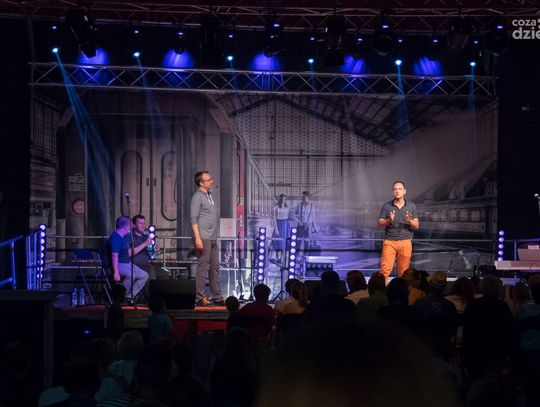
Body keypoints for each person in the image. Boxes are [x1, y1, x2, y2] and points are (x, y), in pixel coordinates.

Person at [190, 171, 224, 306]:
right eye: (209, 180)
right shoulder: (197, 197)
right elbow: (193, 218)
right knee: (203, 268)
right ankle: (199, 297)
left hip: (213, 237)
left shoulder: (209, 195)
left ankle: (217, 297)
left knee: (214, 268)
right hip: (204, 237)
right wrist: (197, 239)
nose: (211, 181)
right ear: (201, 183)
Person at [377, 181, 419, 282]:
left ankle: (401, 291)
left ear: (404, 191)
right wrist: (388, 220)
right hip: (389, 241)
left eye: (400, 189)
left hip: (405, 241)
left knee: (403, 272)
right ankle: (382, 290)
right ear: (393, 192)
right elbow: (379, 223)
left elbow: (417, 226)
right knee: (385, 270)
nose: (397, 191)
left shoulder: (411, 206)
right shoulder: (386, 206)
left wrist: (409, 220)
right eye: (395, 189)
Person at [108, 216, 149, 301]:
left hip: (126, 263)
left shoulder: (124, 237)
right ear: (126, 226)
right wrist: (116, 272)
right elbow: (114, 255)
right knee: (131, 275)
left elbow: (127, 253)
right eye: (130, 225)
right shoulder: (116, 237)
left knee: (144, 275)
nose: (132, 227)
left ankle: (130, 296)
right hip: (118, 264)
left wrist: (131, 265)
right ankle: (121, 295)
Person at [130, 215, 168, 281]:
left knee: (164, 273)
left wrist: (155, 252)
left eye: (144, 223)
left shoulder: (145, 236)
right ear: (134, 225)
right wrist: (145, 244)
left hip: (146, 264)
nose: (143, 226)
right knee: (151, 271)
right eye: (140, 223)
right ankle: (150, 287)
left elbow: (150, 256)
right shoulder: (130, 237)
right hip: (135, 265)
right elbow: (131, 253)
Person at [272, 194, 290, 263]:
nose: (285, 200)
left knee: (284, 241)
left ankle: (282, 257)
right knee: (277, 241)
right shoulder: (276, 207)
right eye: (283, 199)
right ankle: (277, 257)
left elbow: (289, 216)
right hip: (279, 224)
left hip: (285, 225)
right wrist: (276, 228)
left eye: (285, 199)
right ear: (281, 199)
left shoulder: (287, 207)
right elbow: (274, 218)